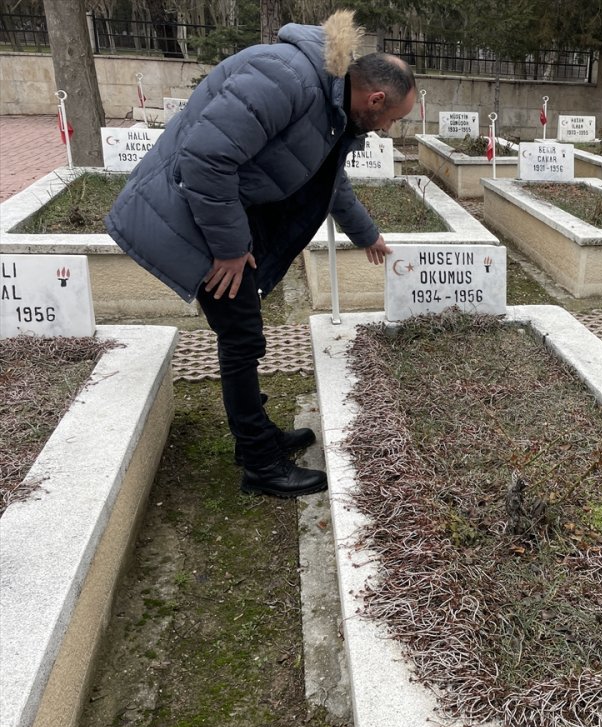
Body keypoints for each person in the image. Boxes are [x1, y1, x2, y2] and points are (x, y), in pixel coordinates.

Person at [106, 11, 416, 498]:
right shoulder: (285, 77)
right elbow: (206, 159)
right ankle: (259, 463)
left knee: (243, 335)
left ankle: (257, 436)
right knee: (241, 337)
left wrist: (368, 236)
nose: (387, 131)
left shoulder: (332, 104)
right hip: (193, 214)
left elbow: (328, 184)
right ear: (375, 99)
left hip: (217, 214)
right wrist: (230, 250)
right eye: (392, 120)